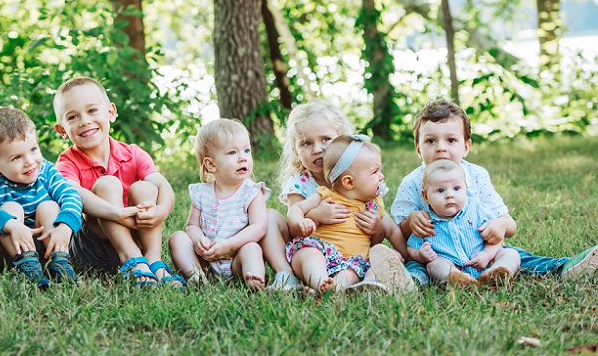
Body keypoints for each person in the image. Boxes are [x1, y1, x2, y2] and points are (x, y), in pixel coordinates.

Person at [391, 99, 598, 285]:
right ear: (418, 148)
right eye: (431, 141)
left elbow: (510, 224)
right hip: (437, 256)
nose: (441, 148)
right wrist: (411, 222)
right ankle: (409, 285)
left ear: (466, 146)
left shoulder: (477, 176)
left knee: (515, 254)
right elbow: (401, 236)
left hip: (482, 253)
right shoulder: (412, 183)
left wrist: (499, 225)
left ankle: (563, 268)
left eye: (451, 140)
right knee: (417, 266)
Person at [53, 76, 183, 288]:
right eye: (73, 117)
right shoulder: (66, 162)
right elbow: (73, 192)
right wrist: (117, 214)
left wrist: (162, 211)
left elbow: (162, 186)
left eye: (92, 111)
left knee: (145, 187)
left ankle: (153, 260)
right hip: (95, 247)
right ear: (62, 130)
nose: (85, 121)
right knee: (107, 184)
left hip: (137, 236)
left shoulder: (132, 153)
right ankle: (130, 258)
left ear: (110, 112)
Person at [284, 134, 414, 294]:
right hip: (320, 253)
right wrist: (300, 221)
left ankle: (363, 285)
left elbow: (393, 231)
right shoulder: (325, 196)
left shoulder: (373, 206)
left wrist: (409, 256)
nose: (382, 176)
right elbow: (296, 209)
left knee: (378, 261)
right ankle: (320, 282)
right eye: (375, 172)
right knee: (310, 255)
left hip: (352, 263)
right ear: (349, 182)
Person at [0, 106, 82, 286]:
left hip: (41, 244)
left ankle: (58, 261)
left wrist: (65, 226)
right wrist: (12, 225)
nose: (29, 162)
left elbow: (71, 195)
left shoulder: (45, 170)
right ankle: (26, 267)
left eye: (33, 149)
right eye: (17, 158)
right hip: (3, 252)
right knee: (11, 207)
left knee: (49, 206)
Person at [169, 119, 268, 290]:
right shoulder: (201, 193)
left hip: (235, 258)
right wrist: (198, 238)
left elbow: (259, 228)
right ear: (211, 164)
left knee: (251, 248)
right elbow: (192, 225)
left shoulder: (251, 192)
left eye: (246, 150)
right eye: (232, 153)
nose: (243, 158)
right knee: (177, 238)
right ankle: (197, 275)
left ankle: (253, 277)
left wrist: (229, 245)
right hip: (206, 260)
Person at [408, 159, 520, 286]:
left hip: (486, 261)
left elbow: (496, 237)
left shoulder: (477, 209)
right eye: (440, 190)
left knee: (510, 253)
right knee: (435, 265)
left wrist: (487, 255)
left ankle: (497, 273)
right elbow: (412, 247)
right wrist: (420, 254)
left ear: (465, 188)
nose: (450, 195)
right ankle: (458, 280)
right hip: (452, 265)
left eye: (456, 188)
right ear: (426, 196)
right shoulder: (425, 221)